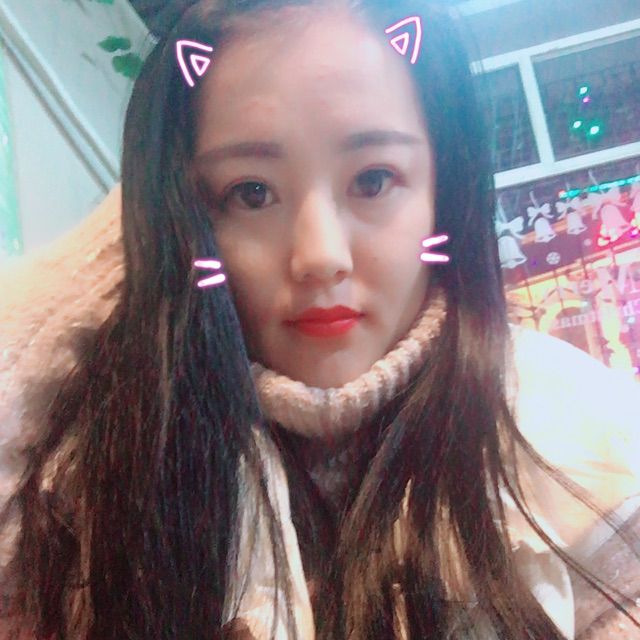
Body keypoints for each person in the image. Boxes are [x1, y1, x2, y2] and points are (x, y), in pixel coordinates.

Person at [0, 0, 639, 638]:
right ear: (187, 215)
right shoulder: (106, 468)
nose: (320, 257)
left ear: (444, 189)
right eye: (251, 193)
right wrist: (144, 236)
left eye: (374, 180)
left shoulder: (585, 453)